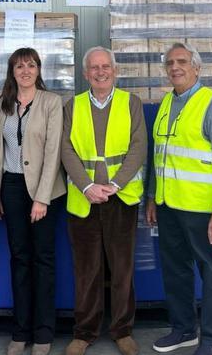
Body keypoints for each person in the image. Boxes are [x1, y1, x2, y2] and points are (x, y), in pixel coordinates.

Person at [145, 43, 212, 355]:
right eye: (170, 63)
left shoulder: (211, 103)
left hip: (202, 209)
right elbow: (159, 155)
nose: (175, 67)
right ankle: (183, 330)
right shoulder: (166, 104)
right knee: (175, 270)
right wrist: (151, 198)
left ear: (196, 68)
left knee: (211, 273)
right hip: (169, 206)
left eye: (182, 61)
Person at [61, 46, 147, 355]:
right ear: (86, 74)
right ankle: (84, 332)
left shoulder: (130, 103)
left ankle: (122, 330)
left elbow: (139, 147)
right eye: (94, 68)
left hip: (120, 199)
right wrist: (86, 187)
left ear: (114, 70)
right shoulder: (73, 105)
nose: (100, 72)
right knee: (87, 270)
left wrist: (114, 184)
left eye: (105, 66)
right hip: (84, 200)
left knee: (122, 269)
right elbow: (66, 149)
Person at [0, 48, 66, 355]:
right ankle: (20, 331)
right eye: (19, 66)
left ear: (39, 70)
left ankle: (44, 333)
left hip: (43, 190)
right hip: (10, 186)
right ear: (12, 71)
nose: (25, 70)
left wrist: (42, 197)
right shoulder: (1, 104)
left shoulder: (51, 102)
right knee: (19, 259)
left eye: (31, 65)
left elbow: (53, 153)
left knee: (43, 260)